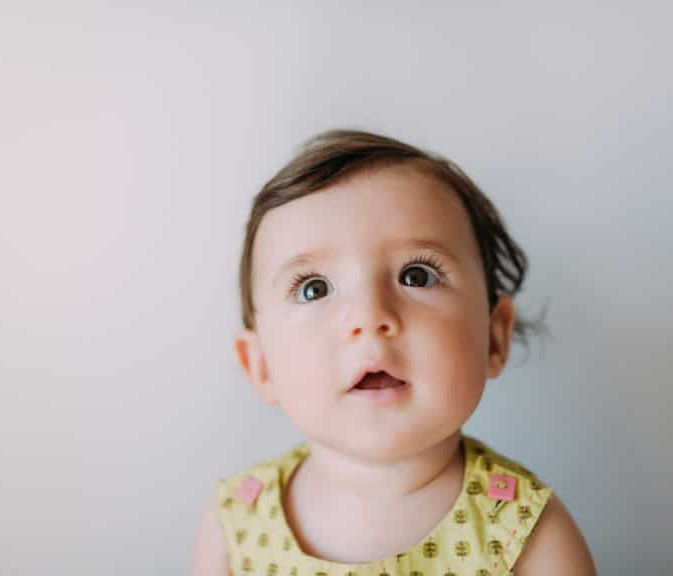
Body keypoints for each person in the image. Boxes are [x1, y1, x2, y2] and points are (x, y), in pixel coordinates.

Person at [191, 129, 596, 575]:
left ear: (493, 337)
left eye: (416, 276)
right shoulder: (235, 527)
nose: (369, 316)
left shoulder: (526, 534)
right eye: (314, 288)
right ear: (260, 364)